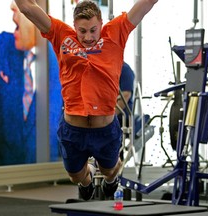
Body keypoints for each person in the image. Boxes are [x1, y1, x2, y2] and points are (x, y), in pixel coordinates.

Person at [15, 0, 158, 201]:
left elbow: (146, 3)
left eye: (93, 30)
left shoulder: (116, 31)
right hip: (73, 129)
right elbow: (27, 8)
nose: (88, 37)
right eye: (82, 31)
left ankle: (110, 180)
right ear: (74, 26)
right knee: (75, 175)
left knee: (109, 170)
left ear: (101, 23)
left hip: (105, 129)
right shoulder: (61, 34)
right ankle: (87, 180)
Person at [0, 1, 61, 165]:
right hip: (6, 173)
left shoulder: (62, 59)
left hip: (51, 174)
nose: (12, 7)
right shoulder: (1, 47)